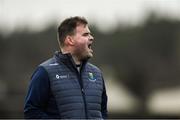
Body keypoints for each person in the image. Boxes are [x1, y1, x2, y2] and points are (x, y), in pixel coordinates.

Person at [24, 16, 108, 119]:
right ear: (70, 40)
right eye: (85, 34)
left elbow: (103, 111)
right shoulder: (44, 72)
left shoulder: (97, 73)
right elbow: (32, 112)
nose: (91, 37)